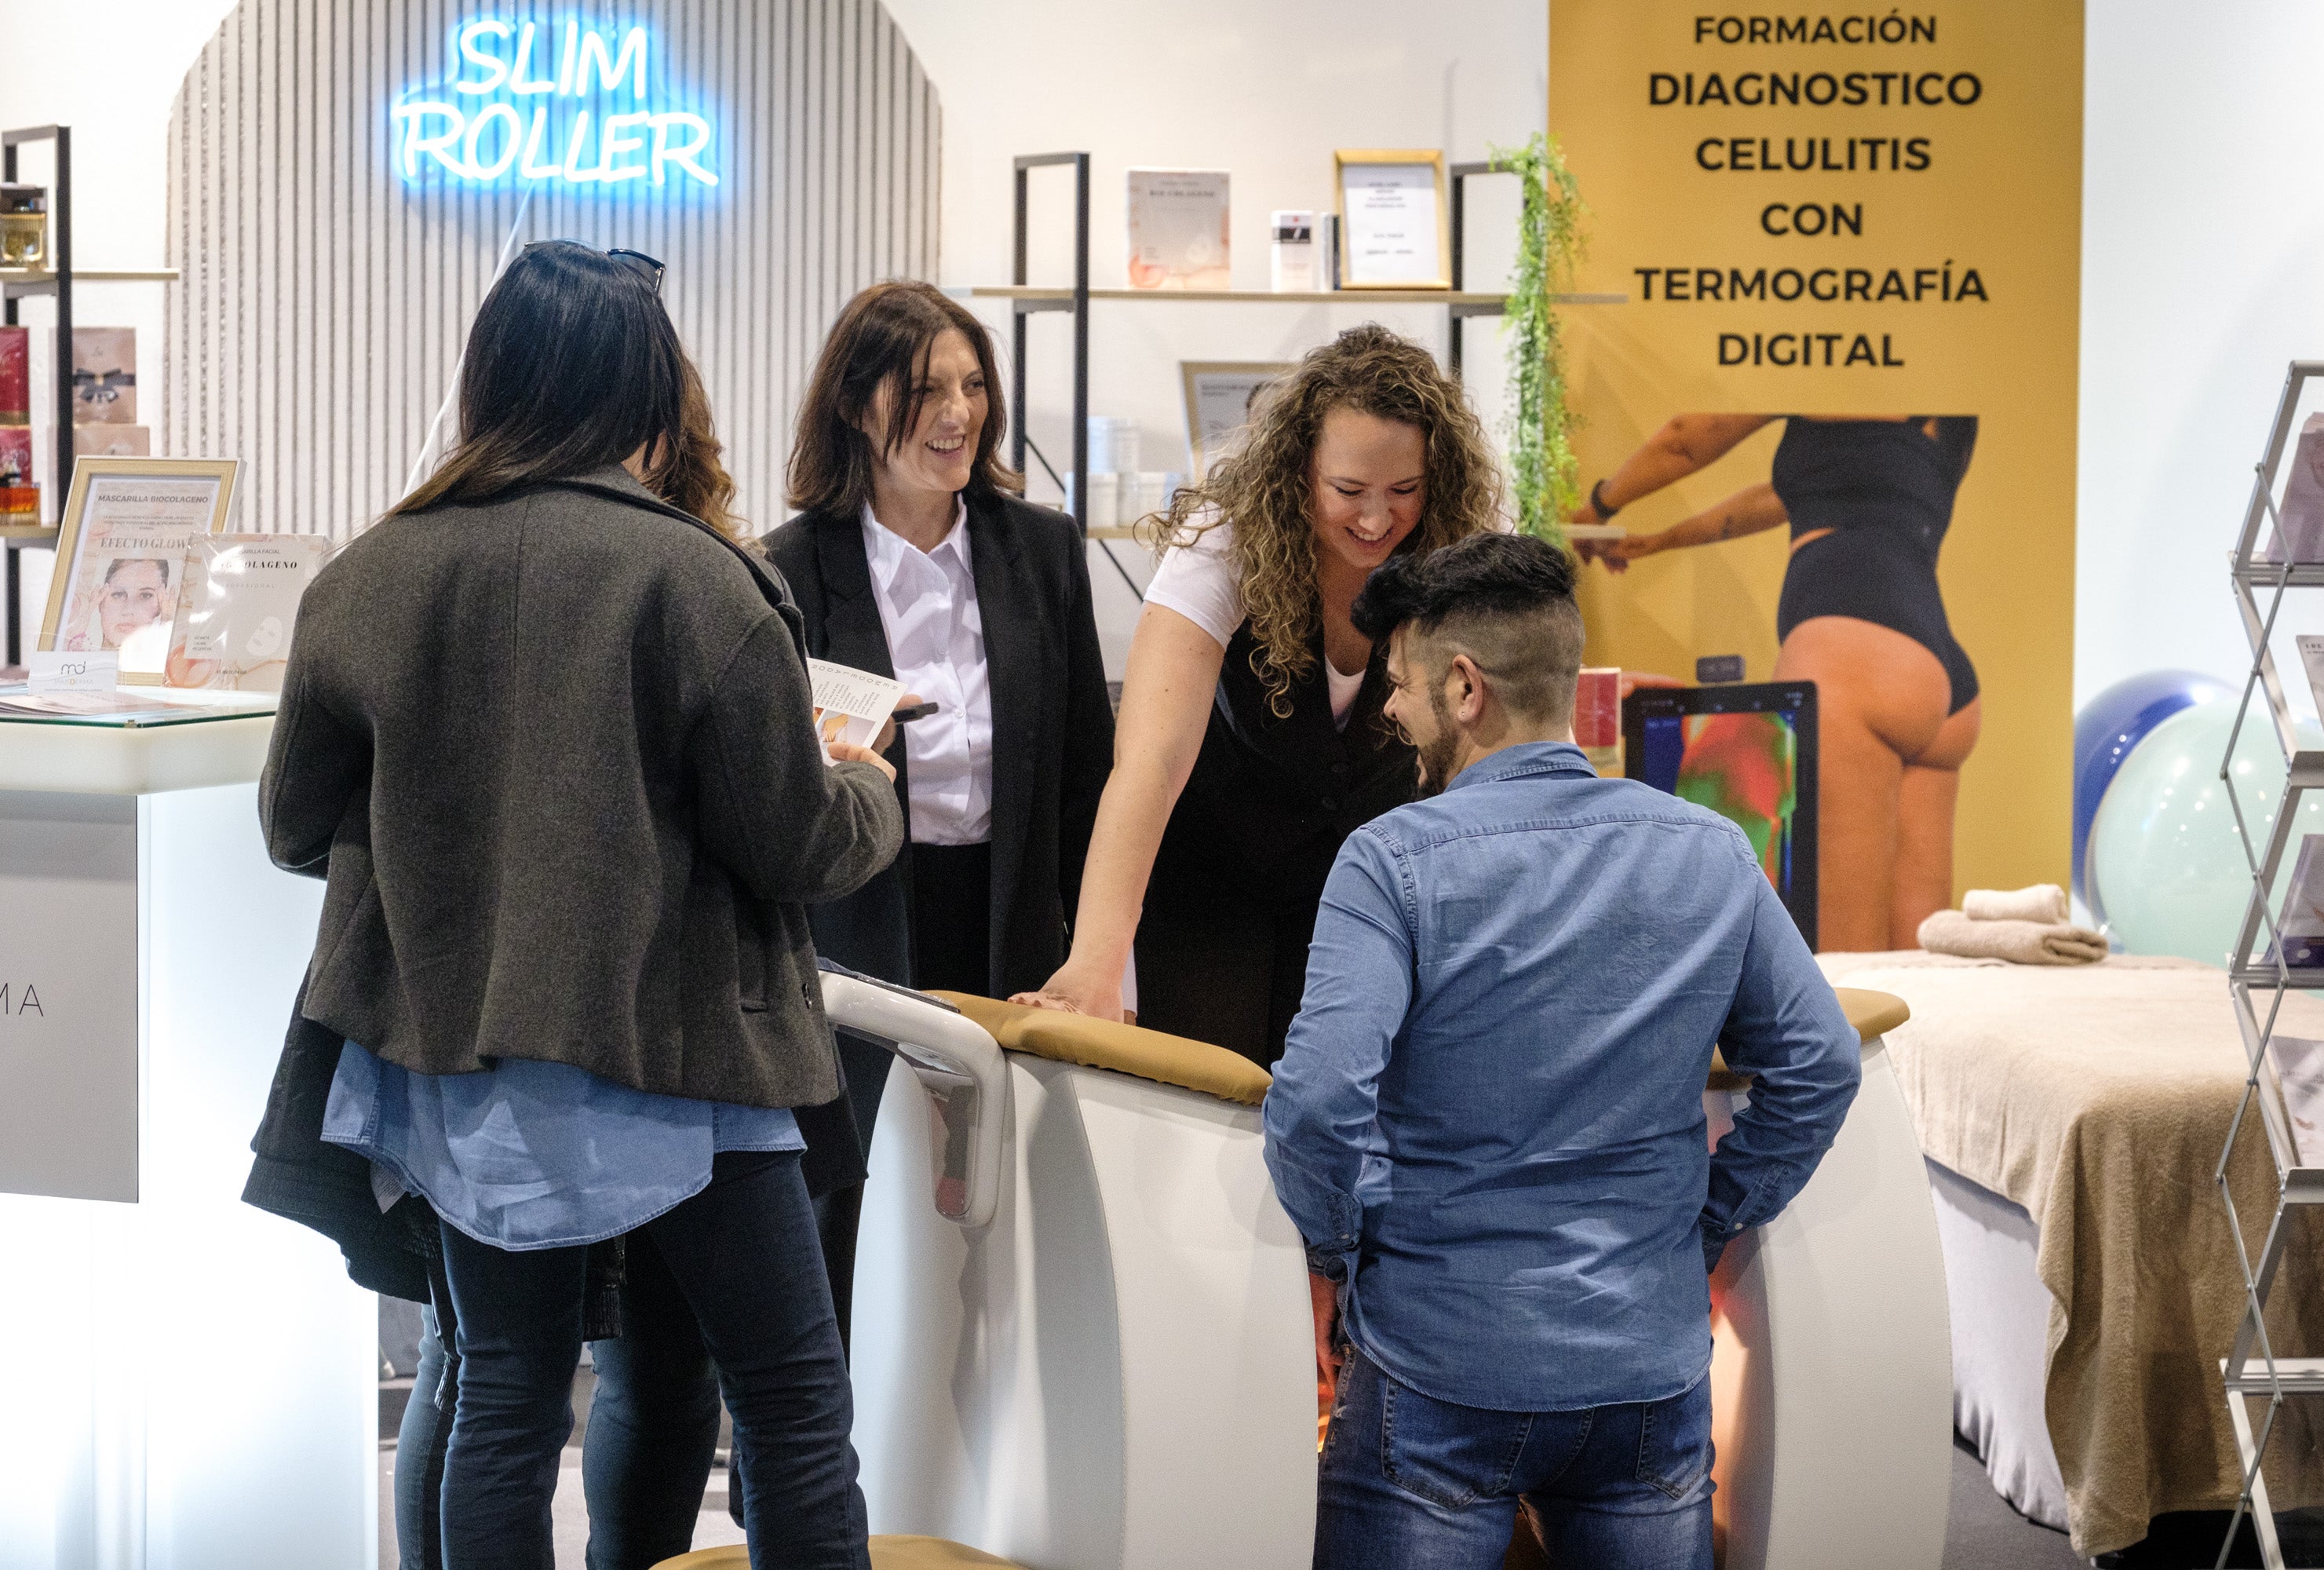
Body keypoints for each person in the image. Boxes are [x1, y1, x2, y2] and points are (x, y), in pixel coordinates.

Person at [257, 239, 901, 1570]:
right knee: (787, 1400)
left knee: (501, 1394)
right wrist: (875, 792)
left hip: (459, 1061)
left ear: (492, 373)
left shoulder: (369, 574)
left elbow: (290, 825)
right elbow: (789, 839)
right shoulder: (699, 582)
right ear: (648, 387)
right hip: (692, 1055)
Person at [1263, 531, 1861, 1567]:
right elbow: (1821, 1061)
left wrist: (1347, 1251)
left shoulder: (1390, 863)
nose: (1390, 712)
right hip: (1648, 1369)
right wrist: (1702, 1224)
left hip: (1436, 1363)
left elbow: (1318, 1103)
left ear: (1463, 688)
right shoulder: (1711, 851)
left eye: (1400, 686)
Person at [764, 279, 1115, 1335]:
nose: (958, 414)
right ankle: (832, 1460)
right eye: (925, 390)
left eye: (972, 386)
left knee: (999, 1211)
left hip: (1010, 930)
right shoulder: (786, 573)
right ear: (856, 408)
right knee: (852, 1209)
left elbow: (1084, 779)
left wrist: (1096, 954)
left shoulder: (1041, 550)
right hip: (859, 933)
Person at [1015, 324, 1504, 1065]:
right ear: (1299, 470)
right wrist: (1093, 963)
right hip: (1210, 883)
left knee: (1344, 1101)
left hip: (1366, 882)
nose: (1376, 520)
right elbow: (1150, 761)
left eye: (1404, 491)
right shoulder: (1224, 543)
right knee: (1209, 1105)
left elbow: (1500, 750)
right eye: (1348, 491)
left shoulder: (1466, 544)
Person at [1576, 414, 1981, 950]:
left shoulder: (1831, 372)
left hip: (1851, 652)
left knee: (1840, 974)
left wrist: (1596, 507)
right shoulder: (1935, 400)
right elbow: (1786, 496)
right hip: (1939, 673)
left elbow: (1687, 438)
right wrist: (1662, 542)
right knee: (1918, 978)